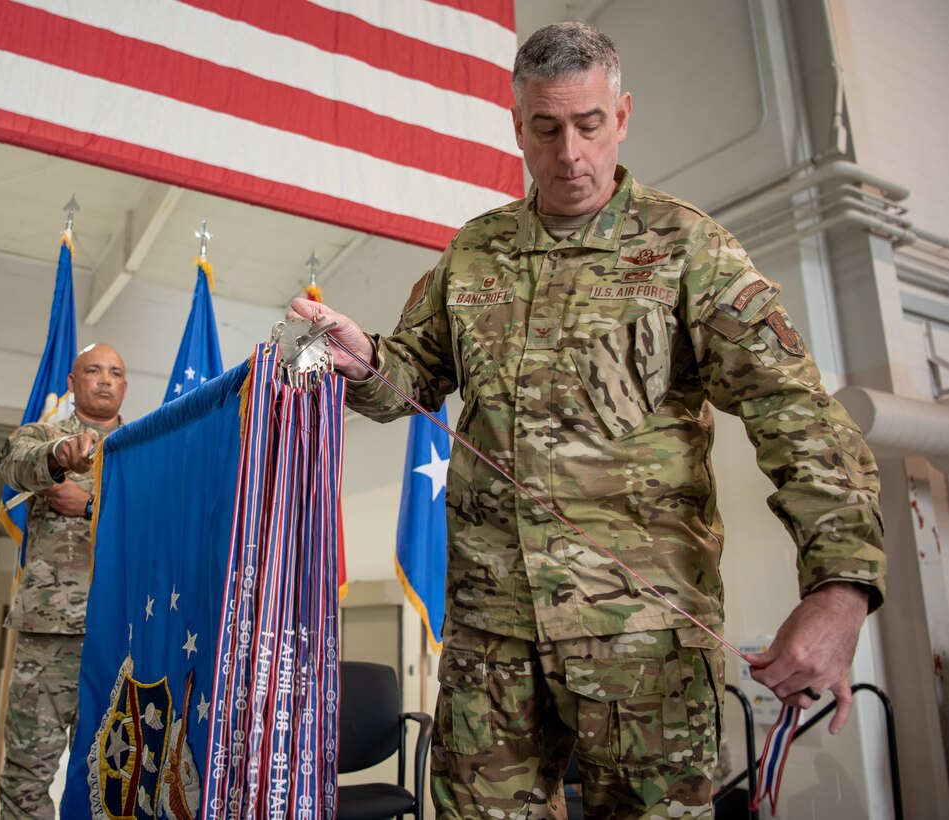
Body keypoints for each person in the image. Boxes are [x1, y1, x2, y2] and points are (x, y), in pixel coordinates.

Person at [289, 22, 885, 819]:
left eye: (588, 124)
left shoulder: (688, 249)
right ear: (518, 128)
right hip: (492, 633)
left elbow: (795, 412)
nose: (569, 153)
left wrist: (840, 589)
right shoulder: (475, 255)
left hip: (641, 641)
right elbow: (411, 382)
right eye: (546, 128)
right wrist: (366, 361)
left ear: (622, 116)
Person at [0, 343, 127, 819]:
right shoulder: (44, 433)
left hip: (120, 638)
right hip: (49, 639)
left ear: (125, 386)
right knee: (27, 775)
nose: (105, 379)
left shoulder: (141, 447)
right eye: (93, 370)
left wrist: (90, 506)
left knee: (112, 778)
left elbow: (162, 521)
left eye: (114, 372)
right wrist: (58, 457)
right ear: (73, 383)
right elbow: (18, 464)